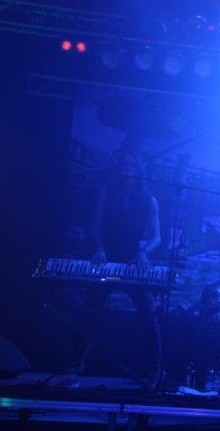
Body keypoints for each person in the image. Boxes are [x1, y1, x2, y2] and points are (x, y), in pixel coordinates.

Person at [73, 149, 164, 390]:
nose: (128, 171)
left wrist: (144, 252)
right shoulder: (107, 192)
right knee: (90, 311)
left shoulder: (149, 199)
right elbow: (95, 228)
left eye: (133, 167)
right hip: (107, 259)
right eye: (125, 166)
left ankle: (155, 370)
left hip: (134, 262)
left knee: (149, 316)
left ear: (140, 171)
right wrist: (99, 248)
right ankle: (75, 365)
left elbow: (157, 237)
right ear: (118, 169)